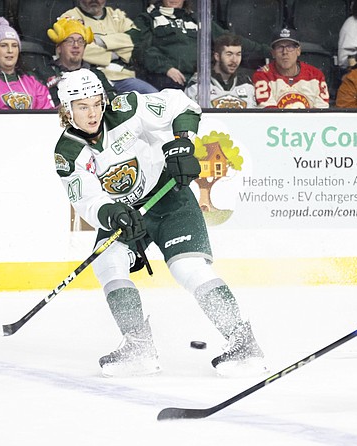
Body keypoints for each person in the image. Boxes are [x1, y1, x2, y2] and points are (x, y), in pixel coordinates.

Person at [53, 68, 265, 377]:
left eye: (97, 103)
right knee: (108, 264)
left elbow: (182, 105)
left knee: (188, 268)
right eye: (82, 106)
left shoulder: (127, 109)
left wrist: (184, 144)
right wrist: (113, 214)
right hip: (124, 214)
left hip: (168, 198)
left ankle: (242, 340)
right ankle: (138, 345)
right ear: (66, 110)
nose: (93, 112)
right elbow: (86, 199)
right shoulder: (67, 152)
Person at [133, 0, 270, 92]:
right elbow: (141, 49)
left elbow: (229, 40)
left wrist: (269, 52)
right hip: (164, 80)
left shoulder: (197, 19)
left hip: (199, 82)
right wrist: (166, 68)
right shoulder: (147, 18)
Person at [61, 0, 158, 94]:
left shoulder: (116, 15)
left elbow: (135, 39)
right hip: (90, 78)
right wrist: (117, 52)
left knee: (154, 95)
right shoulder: (70, 17)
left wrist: (99, 41)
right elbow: (79, 50)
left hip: (122, 77)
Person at [0, 17, 54, 110]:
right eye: (3, 46)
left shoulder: (32, 79)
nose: (10, 50)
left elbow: (47, 114)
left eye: (14, 45)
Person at [44, 16, 117, 106]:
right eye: (70, 41)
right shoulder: (46, 74)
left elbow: (113, 103)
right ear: (59, 48)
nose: (76, 45)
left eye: (80, 41)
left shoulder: (96, 74)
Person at [253, 28, 330, 109]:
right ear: (273, 53)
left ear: (298, 51)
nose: (285, 52)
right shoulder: (263, 75)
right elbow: (270, 114)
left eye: (290, 47)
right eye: (280, 47)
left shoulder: (316, 76)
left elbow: (321, 114)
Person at [185, 33, 257, 108]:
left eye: (238, 54)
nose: (234, 60)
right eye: (229, 54)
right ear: (217, 56)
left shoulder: (246, 83)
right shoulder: (199, 84)